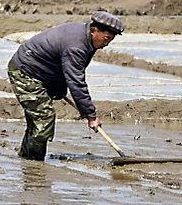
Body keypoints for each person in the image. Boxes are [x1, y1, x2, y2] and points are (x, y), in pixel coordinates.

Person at [7, 10, 125, 161]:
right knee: (44, 119)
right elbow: (76, 81)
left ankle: (26, 157)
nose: (107, 43)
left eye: (110, 40)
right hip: (26, 72)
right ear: (94, 30)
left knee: (37, 121)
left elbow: (68, 68)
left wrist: (58, 87)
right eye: (106, 38)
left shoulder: (86, 38)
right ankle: (33, 164)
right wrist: (91, 115)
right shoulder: (77, 46)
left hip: (41, 71)